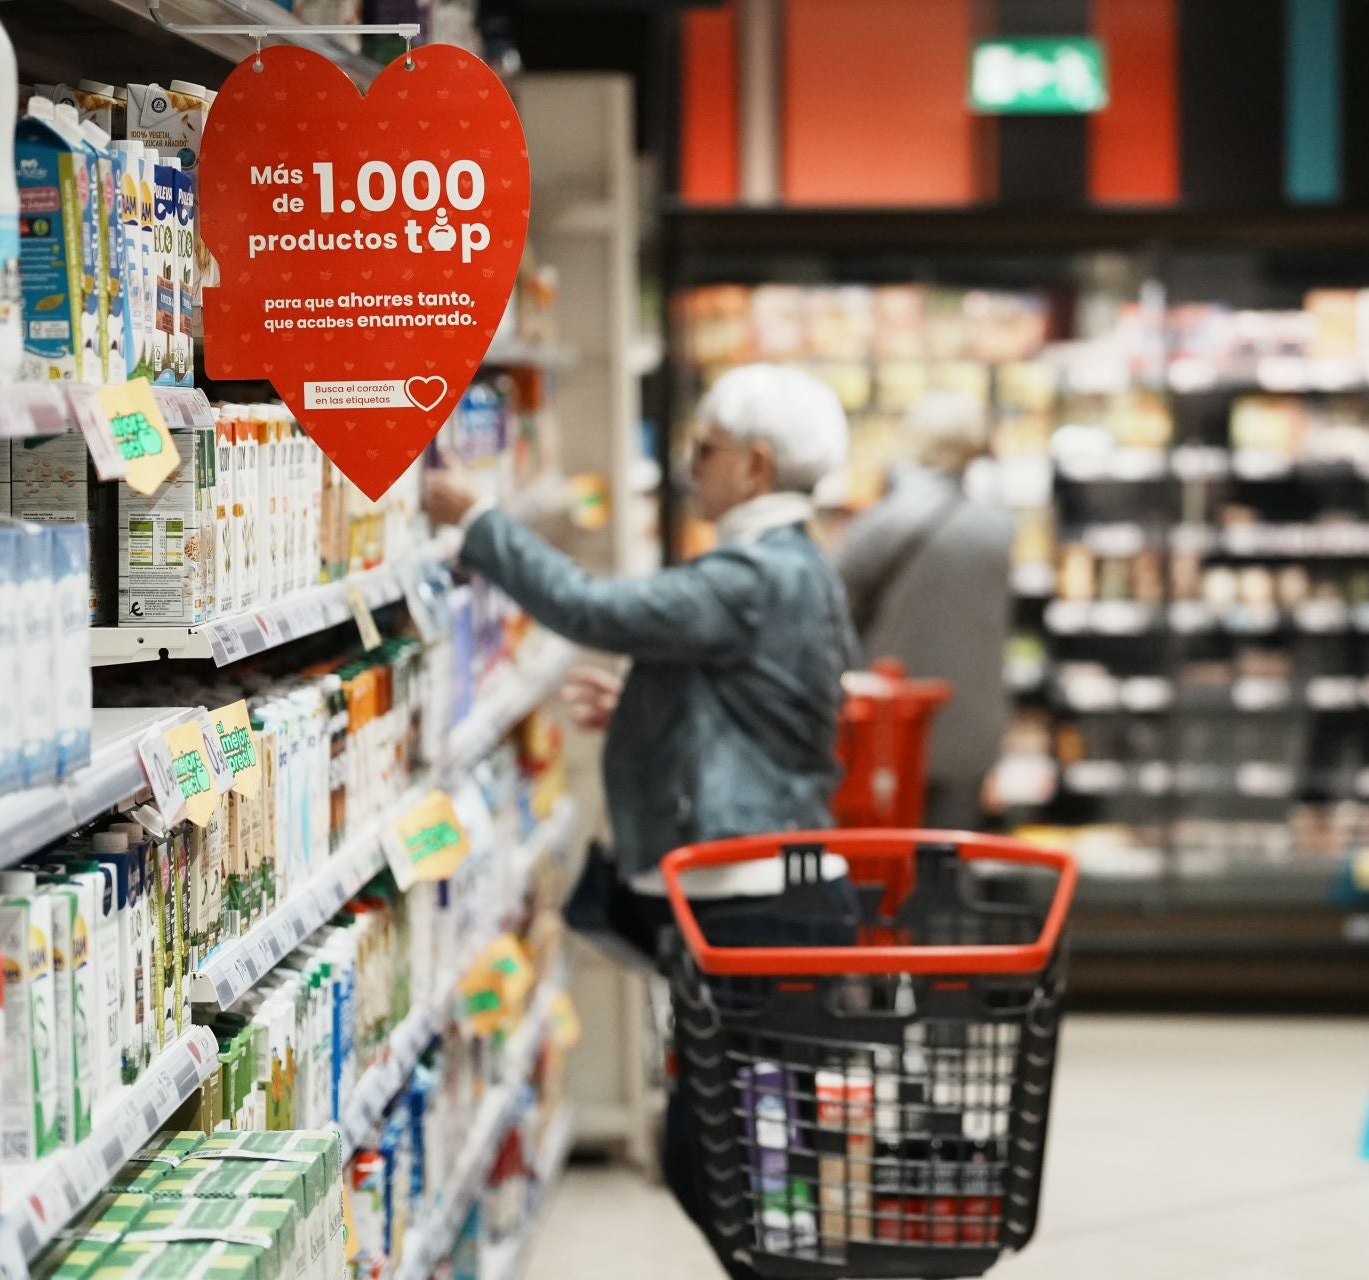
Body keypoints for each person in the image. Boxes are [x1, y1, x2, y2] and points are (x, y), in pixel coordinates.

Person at [423, 361, 858, 1280]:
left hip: (751, 896)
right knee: (743, 1150)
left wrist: (480, 521)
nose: (691, 466)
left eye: (705, 449)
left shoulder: (755, 571)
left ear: (756, 464)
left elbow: (595, 608)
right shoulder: (789, 567)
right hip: (765, 886)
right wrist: (645, 712)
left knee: (731, 1154)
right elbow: (755, 704)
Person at [834, 391, 1013, 829]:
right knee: (948, 861)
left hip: (891, 730)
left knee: (885, 865)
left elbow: (829, 605)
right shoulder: (998, 529)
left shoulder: (881, 524)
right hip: (972, 729)